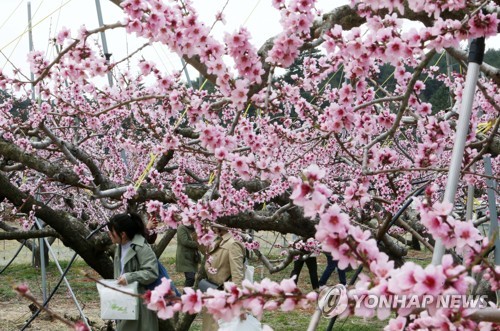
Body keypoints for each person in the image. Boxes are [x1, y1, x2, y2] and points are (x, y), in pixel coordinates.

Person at [108, 212, 159, 331]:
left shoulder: (141, 247)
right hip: (125, 301)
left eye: (112, 231)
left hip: (140, 305)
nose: (109, 234)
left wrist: (129, 277)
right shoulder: (119, 247)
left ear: (123, 234)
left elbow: (152, 272)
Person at [201, 226, 245, 331]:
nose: (212, 226)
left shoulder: (233, 243)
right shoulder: (218, 240)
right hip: (212, 295)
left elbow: (237, 275)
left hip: (224, 298)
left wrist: (239, 304)